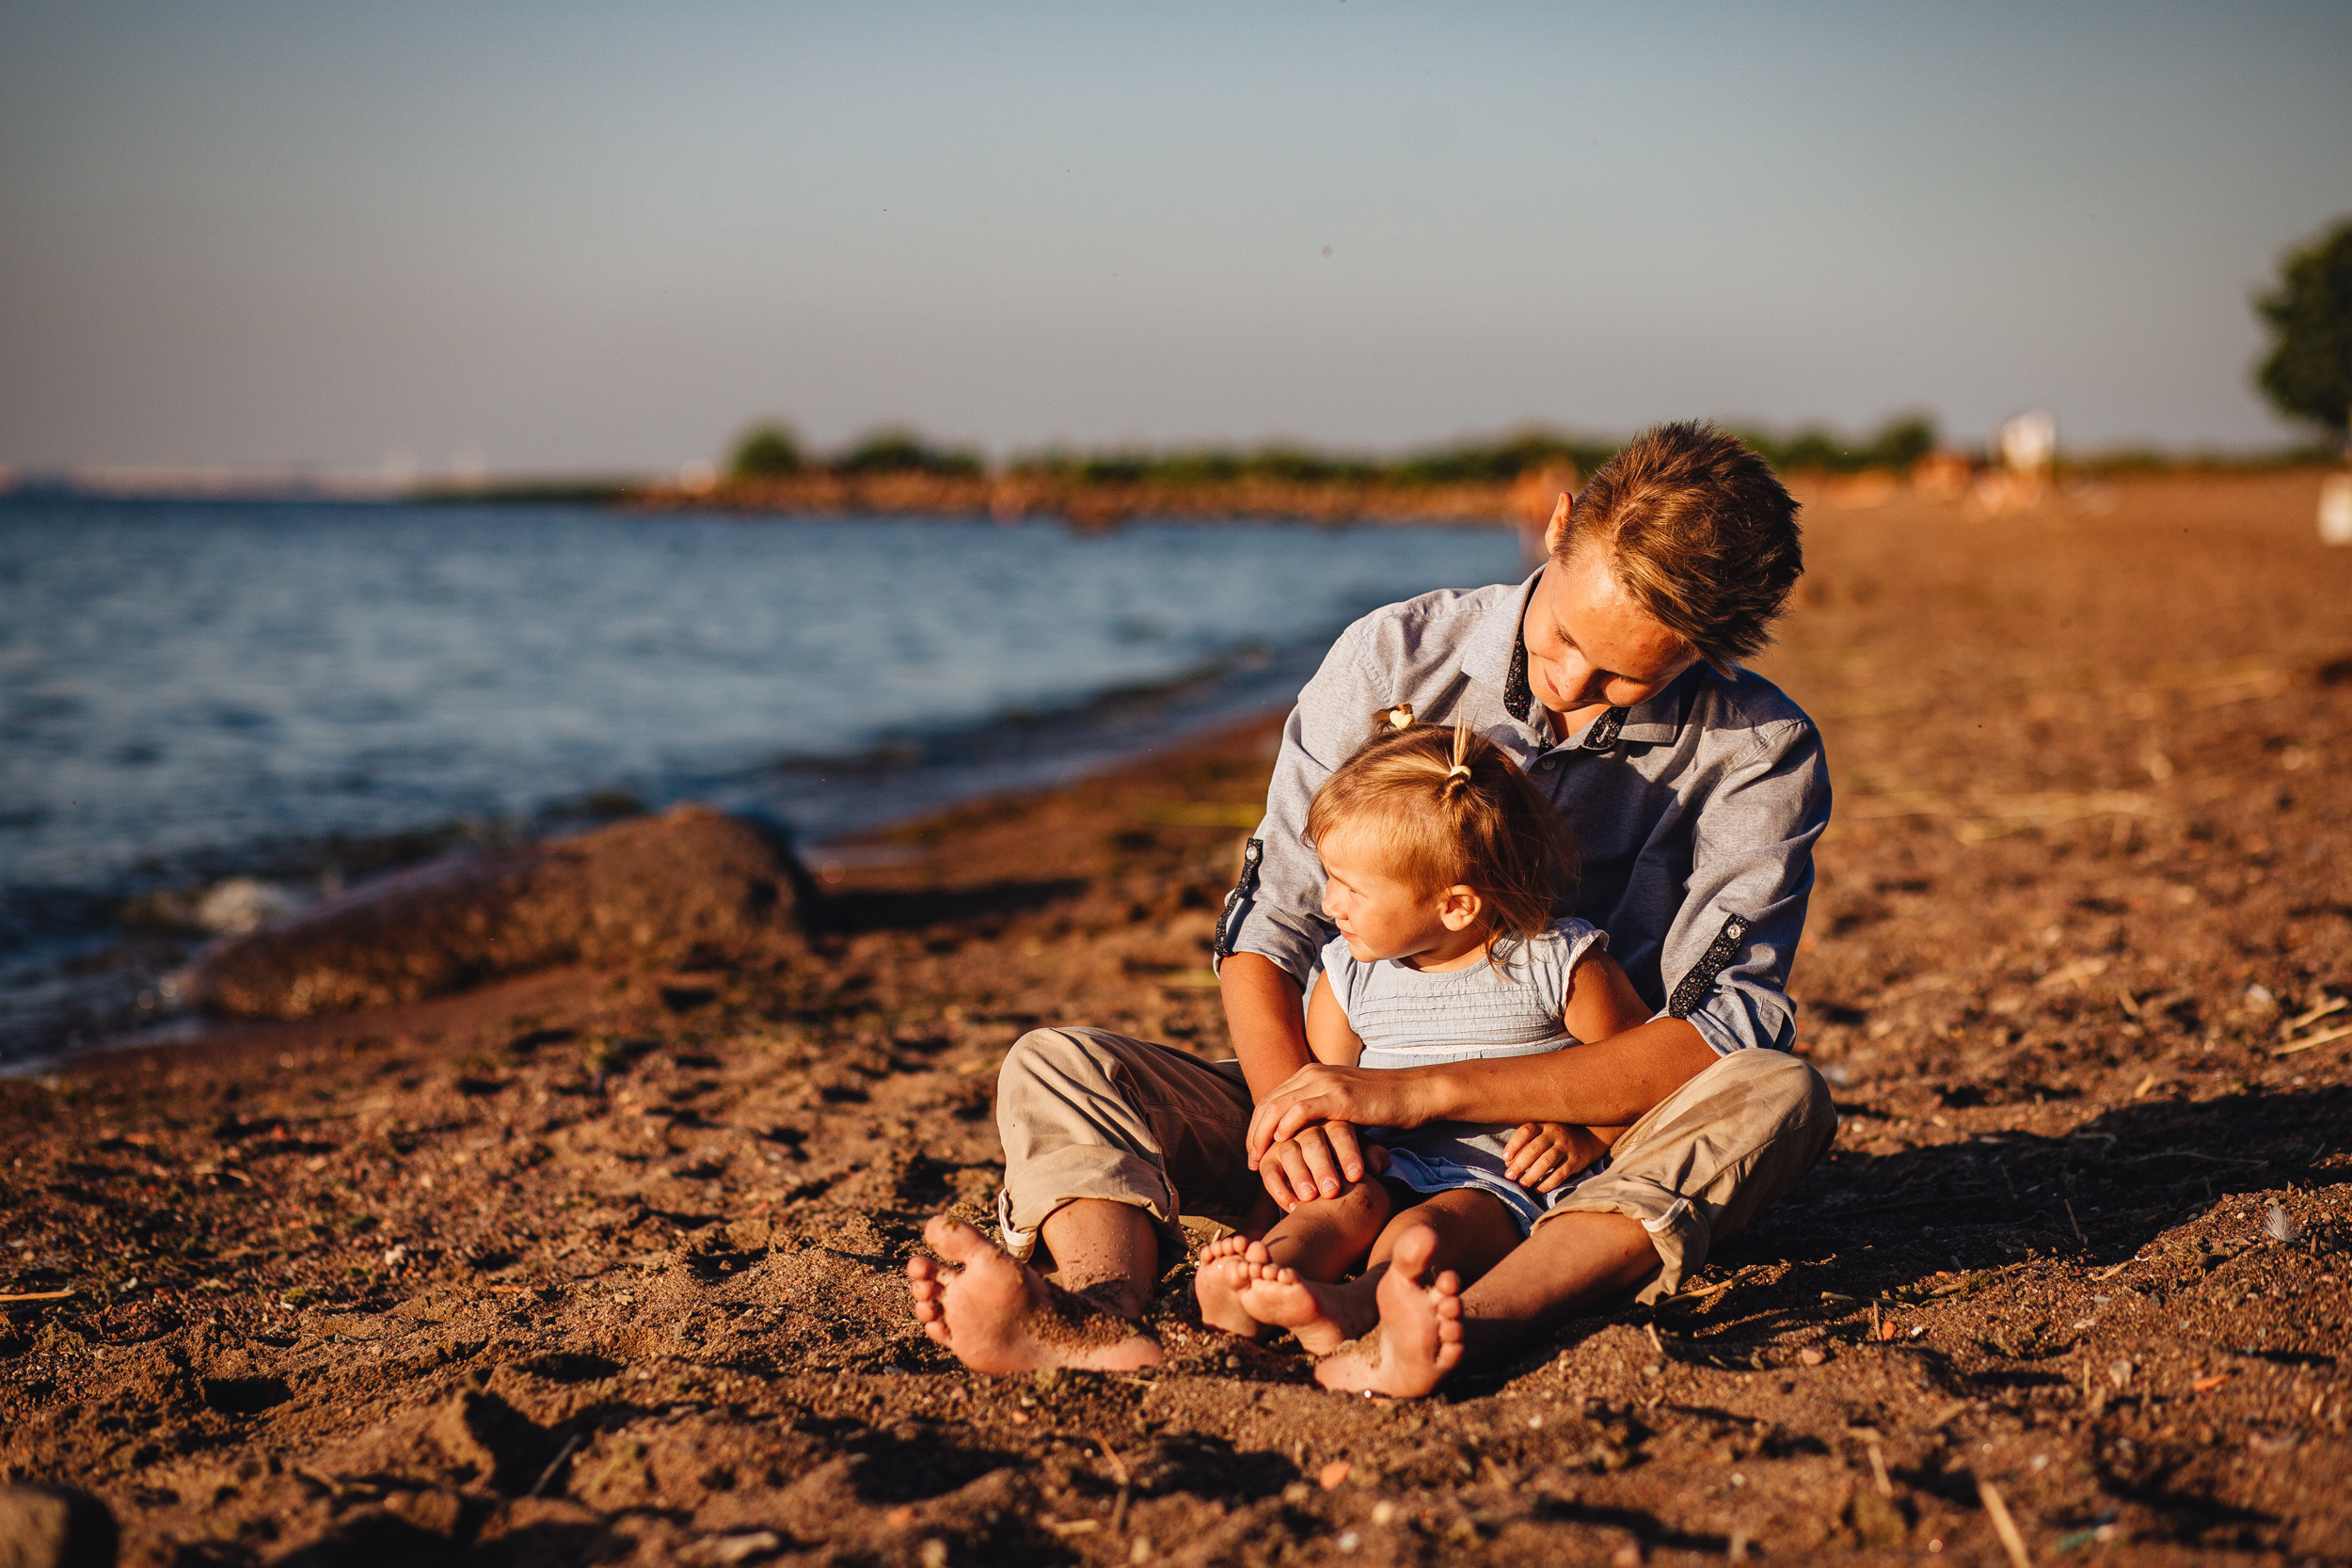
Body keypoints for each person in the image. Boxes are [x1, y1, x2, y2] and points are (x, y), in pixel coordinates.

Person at [906, 420, 1838, 1392]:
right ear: (1555, 526)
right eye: (1564, 637)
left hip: (1571, 1147)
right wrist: (1294, 1109)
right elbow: (1270, 921)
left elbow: (1716, 1030)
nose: (1569, 685)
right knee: (1059, 1064)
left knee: (1778, 1091)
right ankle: (1094, 1312)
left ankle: (1461, 1323)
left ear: (1712, 651)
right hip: (1349, 1108)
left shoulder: (1757, 750)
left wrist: (1424, 1094)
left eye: (1623, 676)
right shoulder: (1394, 654)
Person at [1192, 714, 1654, 1355]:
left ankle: (1355, 1305)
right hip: (1383, 1161)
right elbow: (1320, 1105)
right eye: (1330, 878)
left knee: (1428, 1230)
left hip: (1497, 1180)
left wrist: (1587, 1133)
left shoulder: (1558, 964)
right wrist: (1276, 1205)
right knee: (1338, 1205)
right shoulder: (1348, 975)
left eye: (1351, 888)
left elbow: (1637, 1070)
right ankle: (1264, 1277)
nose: (1330, 904)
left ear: (1456, 905)